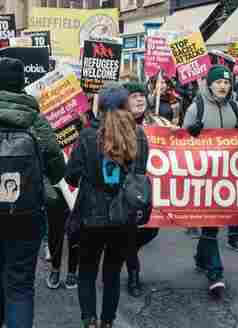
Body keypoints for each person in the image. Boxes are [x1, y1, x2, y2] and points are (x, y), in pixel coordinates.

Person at [0, 58, 65, 328]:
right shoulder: (36, 119)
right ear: (21, 85)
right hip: (28, 215)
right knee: (20, 283)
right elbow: (57, 170)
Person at [65, 83, 149, 328]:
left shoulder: (88, 135)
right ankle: (108, 322)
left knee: (87, 270)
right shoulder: (140, 134)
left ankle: (89, 321)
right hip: (125, 217)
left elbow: (71, 177)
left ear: (99, 106)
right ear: (125, 105)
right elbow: (141, 172)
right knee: (112, 273)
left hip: (92, 216)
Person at [183, 65, 238, 298]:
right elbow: (177, 145)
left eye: (226, 82)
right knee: (211, 222)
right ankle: (215, 272)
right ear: (210, 84)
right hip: (203, 176)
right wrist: (189, 133)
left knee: (211, 224)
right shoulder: (197, 108)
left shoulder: (236, 107)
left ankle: (202, 257)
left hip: (226, 176)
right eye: (218, 82)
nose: (223, 85)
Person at [121, 80, 172, 297]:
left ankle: (127, 251)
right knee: (130, 232)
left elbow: (181, 142)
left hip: (153, 188)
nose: (140, 99)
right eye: (134, 96)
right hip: (126, 189)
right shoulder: (118, 124)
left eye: (142, 95)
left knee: (151, 229)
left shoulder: (159, 122)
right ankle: (133, 274)